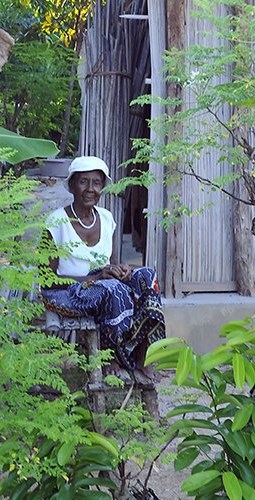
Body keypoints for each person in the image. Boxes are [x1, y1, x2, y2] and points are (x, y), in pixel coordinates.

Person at [41, 156, 165, 385]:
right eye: (83, 182)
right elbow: (46, 281)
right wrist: (95, 278)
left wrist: (123, 271)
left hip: (103, 285)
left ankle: (142, 355)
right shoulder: (55, 222)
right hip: (67, 292)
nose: (90, 189)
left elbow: (111, 264)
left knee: (147, 276)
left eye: (96, 183)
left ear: (102, 188)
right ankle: (111, 357)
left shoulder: (107, 219)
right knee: (110, 288)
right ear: (71, 186)